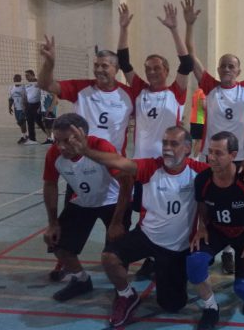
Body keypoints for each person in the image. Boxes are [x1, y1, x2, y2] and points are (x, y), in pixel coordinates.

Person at [68, 125, 208, 327]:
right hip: (147, 236)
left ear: (187, 148)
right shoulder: (151, 167)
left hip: (177, 247)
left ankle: (165, 272)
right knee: (109, 258)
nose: (167, 148)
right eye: (165, 143)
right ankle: (127, 295)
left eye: (174, 144)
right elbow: (119, 161)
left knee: (172, 305)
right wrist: (86, 151)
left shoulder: (199, 172)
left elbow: (227, 172)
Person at [182, 0, 244, 274]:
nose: (227, 69)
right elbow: (191, 56)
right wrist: (189, 25)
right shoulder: (210, 86)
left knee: (241, 208)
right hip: (214, 159)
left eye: (232, 66)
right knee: (214, 205)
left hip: (241, 161)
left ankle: (241, 248)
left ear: (239, 70)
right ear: (218, 70)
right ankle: (223, 250)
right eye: (223, 65)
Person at [116, 2, 193, 278]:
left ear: (166, 70)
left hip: (167, 165)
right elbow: (123, 61)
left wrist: (174, 29)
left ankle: (169, 252)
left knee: (164, 211)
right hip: (141, 165)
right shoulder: (139, 90)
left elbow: (187, 63)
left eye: (157, 68)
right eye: (148, 68)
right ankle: (147, 255)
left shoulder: (176, 91)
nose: (151, 72)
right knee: (143, 210)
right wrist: (124, 29)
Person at [187, 131, 244, 330]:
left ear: (233, 155)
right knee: (194, 262)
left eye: (218, 153)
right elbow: (202, 204)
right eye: (210, 152)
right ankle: (211, 307)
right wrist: (202, 226)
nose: (212, 158)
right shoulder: (203, 179)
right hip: (217, 231)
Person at [42, 113, 132, 302]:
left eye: (67, 141)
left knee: (115, 254)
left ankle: (123, 291)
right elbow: (50, 184)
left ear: (82, 136)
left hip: (113, 201)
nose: (61, 147)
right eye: (57, 141)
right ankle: (81, 279)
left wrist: (117, 221)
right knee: (57, 243)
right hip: (83, 201)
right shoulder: (54, 154)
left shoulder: (100, 147)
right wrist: (53, 223)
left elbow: (126, 182)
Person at [38, 36, 134, 156]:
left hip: (113, 160)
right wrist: (49, 64)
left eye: (104, 66)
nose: (99, 70)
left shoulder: (129, 94)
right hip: (83, 157)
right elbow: (46, 85)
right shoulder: (81, 88)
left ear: (117, 68)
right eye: (96, 65)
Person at [24, 69, 48, 145]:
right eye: (25, 76)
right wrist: (25, 106)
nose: (26, 77)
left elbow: (43, 94)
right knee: (29, 122)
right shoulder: (26, 84)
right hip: (29, 105)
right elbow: (26, 95)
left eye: (27, 75)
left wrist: (41, 106)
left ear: (33, 75)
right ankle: (32, 139)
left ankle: (50, 137)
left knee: (39, 122)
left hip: (37, 104)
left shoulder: (39, 83)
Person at [8, 74, 28, 144]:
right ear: (13, 79)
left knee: (22, 122)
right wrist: (9, 107)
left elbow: (27, 97)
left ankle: (25, 137)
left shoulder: (24, 87)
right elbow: (11, 98)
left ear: (20, 79)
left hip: (23, 108)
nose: (16, 80)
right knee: (20, 123)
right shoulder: (11, 87)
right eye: (15, 79)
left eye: (18, 79)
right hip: (16, 108)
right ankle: (24, 136)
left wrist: (25, 107)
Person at [190, 87, 207, 158]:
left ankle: (192, 157)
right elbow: (204, 106)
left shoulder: (195, 93)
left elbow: (193, 105)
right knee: (200, 141)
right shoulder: (203, 93)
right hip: (200, 120)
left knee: (195, 140)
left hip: (193, 119)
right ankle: (195, 159)